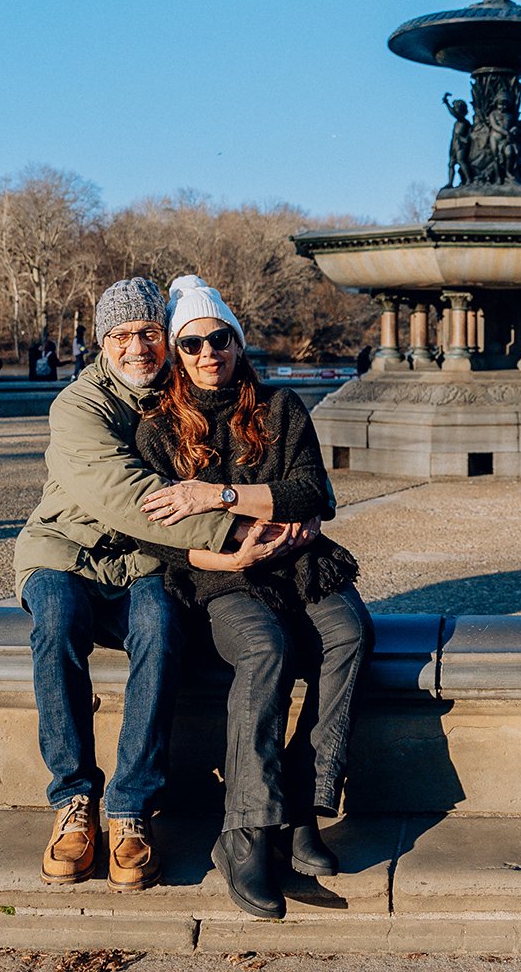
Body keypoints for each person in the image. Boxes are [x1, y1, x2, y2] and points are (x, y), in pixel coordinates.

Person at [133, 274, 372, 920]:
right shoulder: (157, 431)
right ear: (176, 356)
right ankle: (243, 834)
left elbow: (312, 496)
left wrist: (215, 495)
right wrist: (242, 541)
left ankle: (300, 807)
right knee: (264, 649)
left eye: (220, 338)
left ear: (238, 342)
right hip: (221, 578)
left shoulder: (280, 407)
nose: (208, 353)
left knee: (350, 633)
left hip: (301, 564)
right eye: (192, 344)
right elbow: (160, 534)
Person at [12, 278, 248, 892]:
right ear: (103, 344)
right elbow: (126, 498)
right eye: (121, 336)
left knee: (161, 625)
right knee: (58, 622)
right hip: (66, 551)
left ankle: (130, 809)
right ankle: (73, 800)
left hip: (144, 560)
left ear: (165, 338)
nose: (137, 348)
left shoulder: (179, 392)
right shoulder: (77, 406)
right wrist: (230, 533)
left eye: (148, 333)